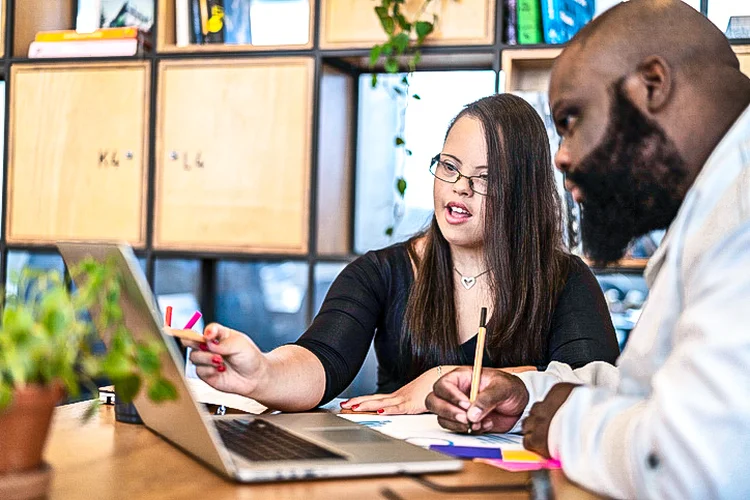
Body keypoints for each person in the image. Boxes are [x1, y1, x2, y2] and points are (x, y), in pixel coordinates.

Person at [426, 1, 750, 498]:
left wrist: (565, 423)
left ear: (653, 85)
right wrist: (530, 396)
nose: (562, 156)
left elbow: (692, 465)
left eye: (573, 119)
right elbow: (651, 388)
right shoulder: (716, 204)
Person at [180, 93, 619, 415]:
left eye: (484, 178)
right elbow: (320, 360)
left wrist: (446, 379)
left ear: (523, 194)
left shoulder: (565, 280)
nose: (459, 188)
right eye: (450, 167)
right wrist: (261, 372)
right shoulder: (381, 272)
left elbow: (595, 388)